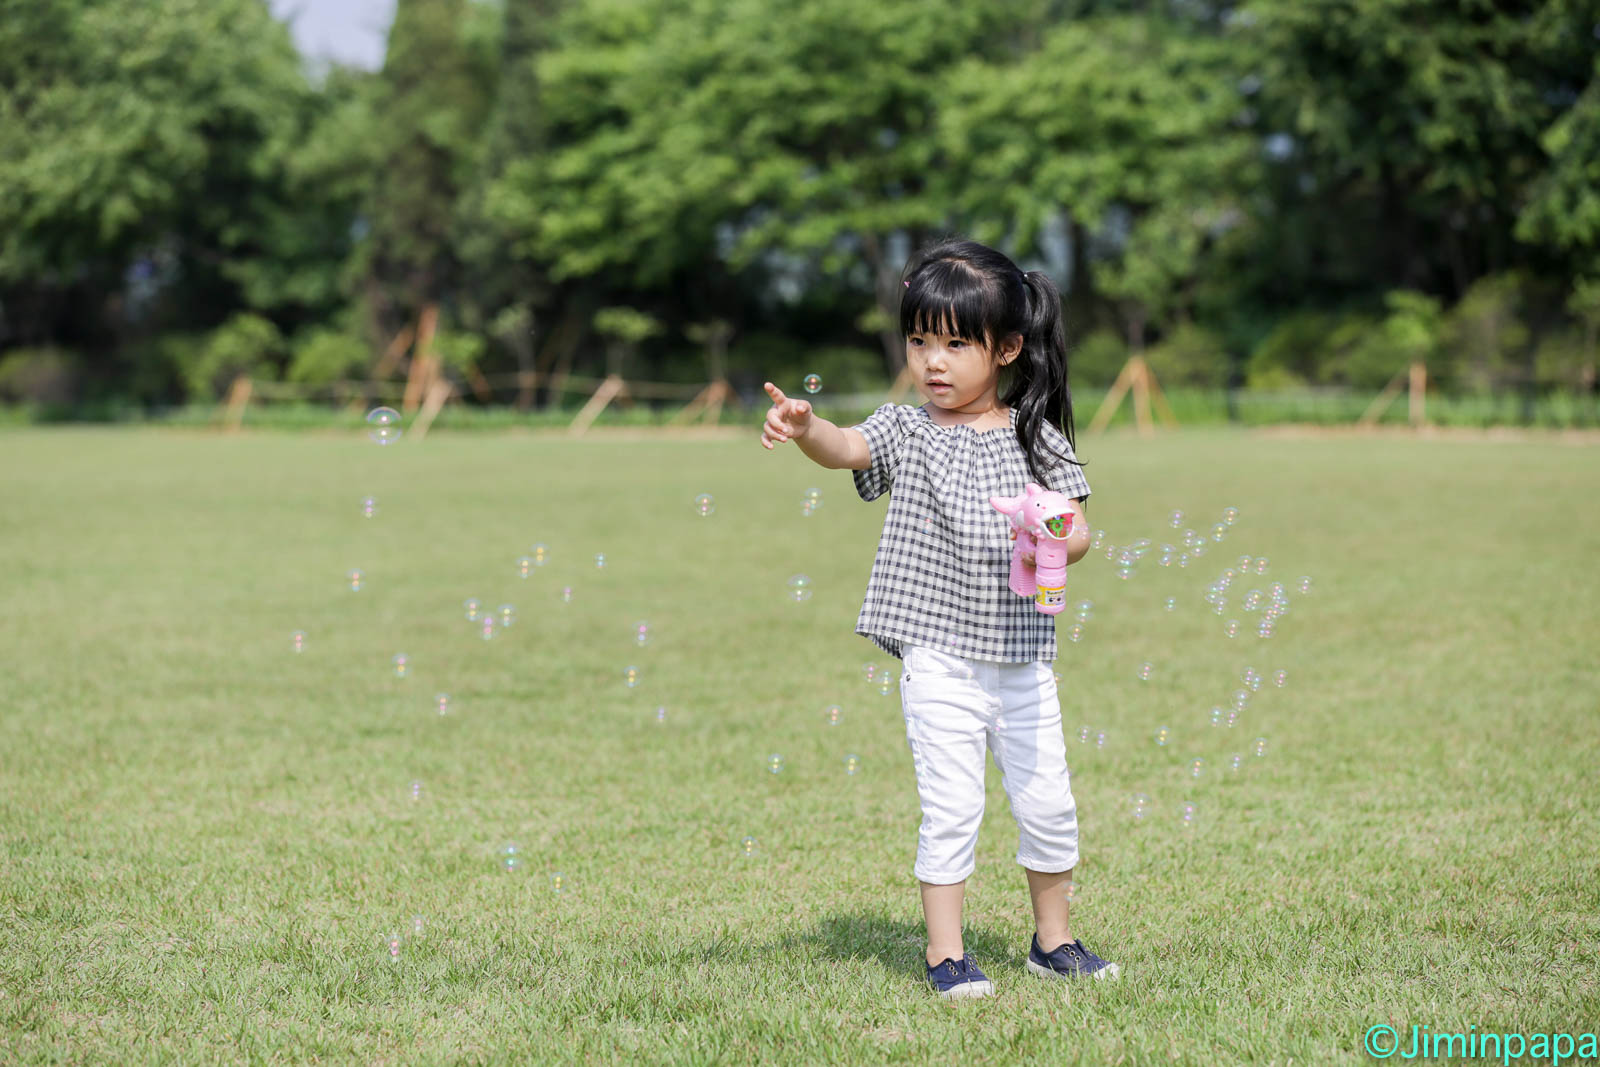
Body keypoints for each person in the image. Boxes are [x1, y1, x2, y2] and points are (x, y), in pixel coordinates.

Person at [760, 238, 1121, 999]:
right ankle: (946, 953)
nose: (933, 359)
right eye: (920, 339)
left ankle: (1053, 941)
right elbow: (847, 447)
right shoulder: (907, 428)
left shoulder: (1036, 435)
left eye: (956, 343)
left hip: (1022, 659)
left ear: (1009, 347)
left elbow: (1080, 530)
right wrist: (805, 428)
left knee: (1048, 801)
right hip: (941, 659)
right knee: (952, 805)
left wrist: (1056, 535)